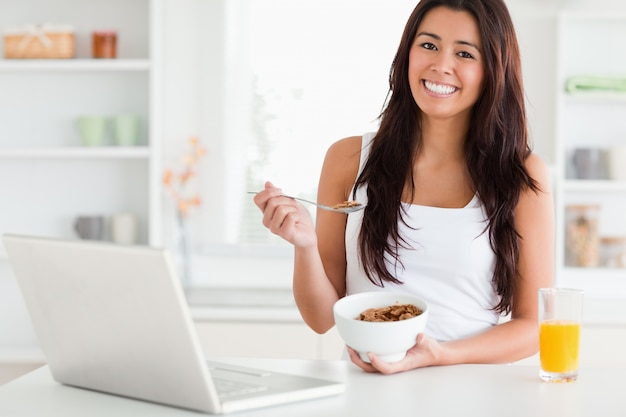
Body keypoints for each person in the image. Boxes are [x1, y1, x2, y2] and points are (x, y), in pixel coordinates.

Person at [253, 0, 554, 374]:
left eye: (464, 53)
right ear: (406, 54)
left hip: (470, 390)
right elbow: (320, 318)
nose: (441, 65)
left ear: (494, 69)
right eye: (428, 45)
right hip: (365, 393)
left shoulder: (522, 174)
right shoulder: (349, 159)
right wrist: (305, 245)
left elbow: (534, 325)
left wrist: (440, 354)